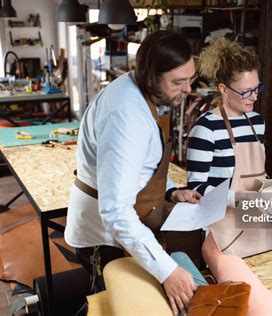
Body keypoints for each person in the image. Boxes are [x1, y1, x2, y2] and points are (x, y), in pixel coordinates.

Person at [64, 31, 201, 315]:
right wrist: (167, 272)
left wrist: (171, 190)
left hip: (122, 222)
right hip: (103, 237)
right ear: (151, 76)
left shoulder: (141, 91)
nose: (188, 89)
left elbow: (139, 166)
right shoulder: (125, 117)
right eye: (178, 82)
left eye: (191, 79)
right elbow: (115, 211)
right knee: (116, 307)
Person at [186, 37, 272, 258]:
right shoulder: (206, 128)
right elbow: (196, 188)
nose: (254, 97)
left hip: (258, 224)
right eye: (245, 91)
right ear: (223, 89)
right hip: (223, 232)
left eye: (257, 88)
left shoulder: (257, 122)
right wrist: (241, 198)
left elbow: (258, 173)